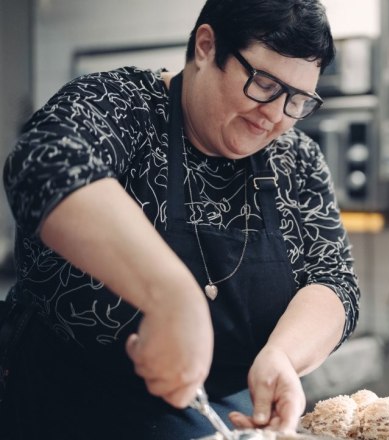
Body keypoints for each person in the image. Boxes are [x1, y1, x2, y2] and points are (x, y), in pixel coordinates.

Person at [0, 0, 360, 438]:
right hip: (66, 415)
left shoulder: (296, 159)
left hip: (221, 423)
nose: (275, 116)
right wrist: (173, 297)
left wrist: (283, 356)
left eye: (298, 100)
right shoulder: (121, 106)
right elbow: (44, 164)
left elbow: (334, 280)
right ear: (207, 47)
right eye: (264, 84)